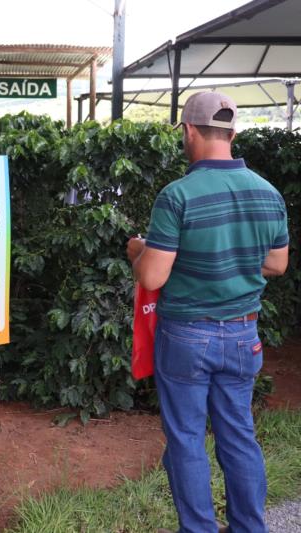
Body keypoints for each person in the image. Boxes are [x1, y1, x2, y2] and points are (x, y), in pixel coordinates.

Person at [126, 91, 289, 533]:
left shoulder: (177, 195)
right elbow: (277, 263)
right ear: (232, 133)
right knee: (239, 436)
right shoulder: (268, 192)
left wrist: (138, 250)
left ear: (190, 131)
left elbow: (153, 277)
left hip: (186, 336)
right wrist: (230, 259)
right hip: (243, 334)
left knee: (186, 439)